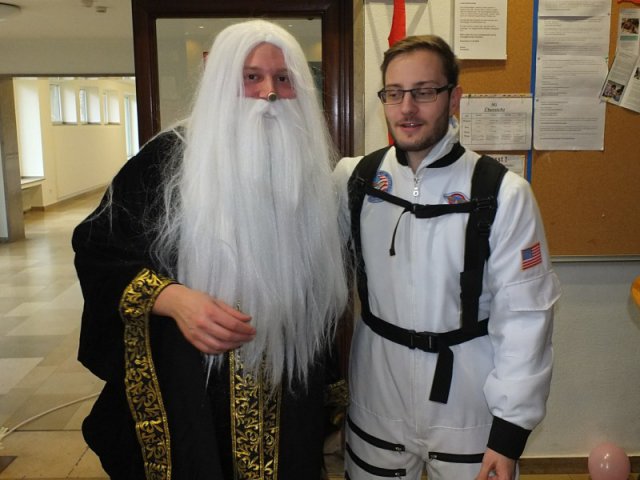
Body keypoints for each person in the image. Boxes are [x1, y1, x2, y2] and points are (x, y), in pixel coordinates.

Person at [72, 19, 349, 479]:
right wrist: (172, 298)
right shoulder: (166, 159)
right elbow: (98, 249)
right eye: (252, 77)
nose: (269, 93)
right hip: (192, 392)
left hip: (285, 391)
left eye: (283, 78)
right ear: (222, 81)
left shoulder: (310, 170)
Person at [332, 35, 561, 480]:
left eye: (424, 92)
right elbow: (298, 260)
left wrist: (509, 433)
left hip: (468, 411)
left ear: (454, 98)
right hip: (377, 399)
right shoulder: (355, 180)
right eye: (394, 93)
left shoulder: (501, 192)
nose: (407, 108)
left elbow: (526, 317)